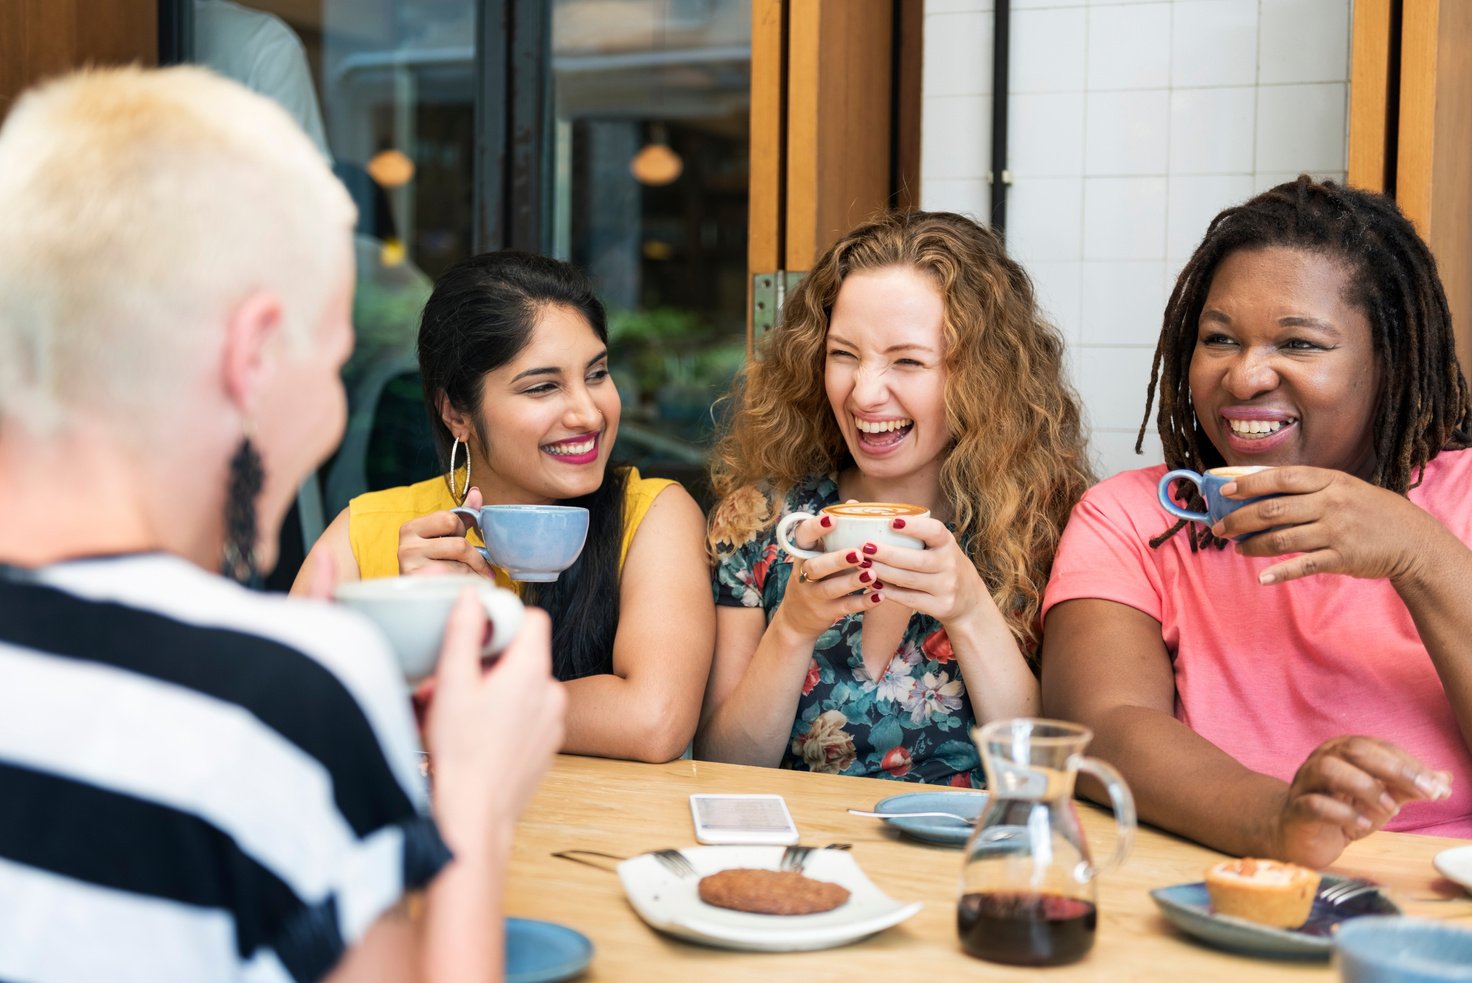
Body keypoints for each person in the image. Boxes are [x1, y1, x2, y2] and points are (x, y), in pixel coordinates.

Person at [0, 66, 564, 981]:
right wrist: (476, 806)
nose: (332, 414)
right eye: (334, 359)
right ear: (253, 355)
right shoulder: (283, 695)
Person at [1041, 177, 1472, 868]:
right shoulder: (1133, 517)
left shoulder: (1463, 498)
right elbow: (1103, 725)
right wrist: (1278, 819)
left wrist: (1417, 553)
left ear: (1387, 361)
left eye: (1299, 344)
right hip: (1210, 879)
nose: (1245, 378)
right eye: (1219, 339)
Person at [699, 210, 1093, 785]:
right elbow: (721, 767)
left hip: (964, 865)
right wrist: (792, 629)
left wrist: (969, 611)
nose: (864, 392)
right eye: (843, 354)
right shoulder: (759, 521)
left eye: (907, 361)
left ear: (983, 376)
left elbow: (1046, 779)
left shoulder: (1052, 527)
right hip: (807, 860)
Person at [295, 251, 714, 763]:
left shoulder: (652, 515)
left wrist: (446, 707)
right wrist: (412, 624)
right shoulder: (367, 534)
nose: (588, 412)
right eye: (543, 387)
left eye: (597, 373)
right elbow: (290, 718)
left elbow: (652, 719)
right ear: (456, 412)